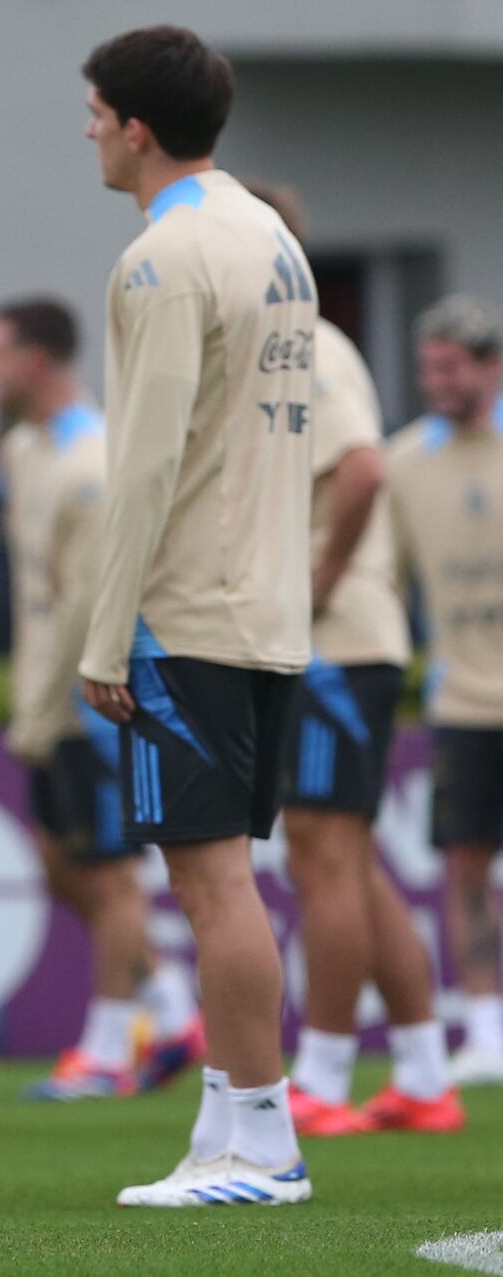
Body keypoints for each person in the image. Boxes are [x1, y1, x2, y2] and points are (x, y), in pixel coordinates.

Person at [78, 26, 315, 1207]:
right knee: (222, 879)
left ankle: (261, 1145)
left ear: (133, 125)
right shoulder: (271, 238)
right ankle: (229, 1131)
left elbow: (144, 463)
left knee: (211, 884)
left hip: (190, 608)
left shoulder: (161, 255)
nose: (84, 129)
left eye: (92, 110)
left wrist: (102, 629)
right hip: (264, 600)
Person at [239, 186, 464, 1135]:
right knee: (351, 862)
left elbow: (364, 466)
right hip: (331, 641)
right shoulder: (283, 345)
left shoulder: (308, 346)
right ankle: (420, 1070)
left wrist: (321, 578)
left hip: (334, 644)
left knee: (323, 858)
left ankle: (325, 1078)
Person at [0, 296, 204, 1101]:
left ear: (36, 361)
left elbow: (91, 599)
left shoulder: (92, 459)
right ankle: (174, 1003)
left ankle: (111, 1048)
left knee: (110, 876)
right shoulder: (22, 449)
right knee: (58, 864)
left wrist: (65, 692)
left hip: (92, 691)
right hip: (42, 694)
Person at [386, 294, 503, 1090]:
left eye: (451, 366)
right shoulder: (404, 463)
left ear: (490, 367)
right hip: (461, 701)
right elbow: (386, 580)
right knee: (464, 869)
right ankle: (487, 1034)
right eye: (428, 367)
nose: (437, 380)